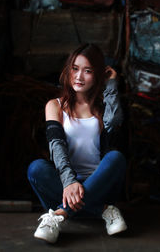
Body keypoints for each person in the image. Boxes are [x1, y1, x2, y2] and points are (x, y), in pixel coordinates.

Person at [27, 43, 127, 244]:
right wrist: (69, 181)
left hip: (100, 184)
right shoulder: (55, 106)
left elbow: (115, 122)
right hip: (64, 187)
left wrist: (111, 85)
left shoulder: (101, 106)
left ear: (98, 75)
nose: (79, 76)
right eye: (75, 68)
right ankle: (104, 211)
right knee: (36, 168)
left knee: (116, 157)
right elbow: (56, 146)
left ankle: (60, 215)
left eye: (88, 71)